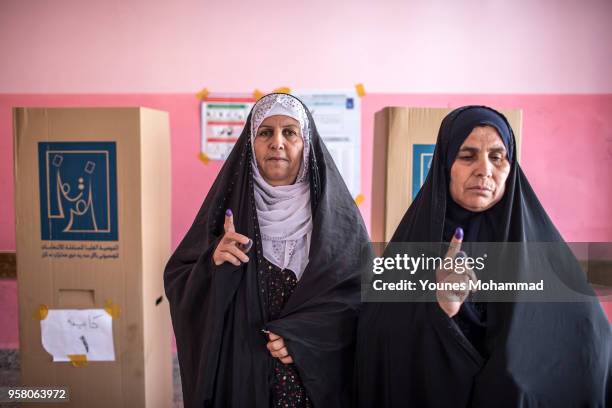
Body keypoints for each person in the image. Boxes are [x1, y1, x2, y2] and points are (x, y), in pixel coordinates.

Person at [355, 106, 611, 406]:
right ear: (446, 163)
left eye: (497, 157)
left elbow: (588, 347)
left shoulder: (542, 253)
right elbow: (380, 348)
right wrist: (438, 312)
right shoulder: (412, 249)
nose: (484, 170)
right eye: (467, 156)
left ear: (511, 167)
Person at [164, 93, 370, 407]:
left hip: (314, 385)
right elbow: (180, 280)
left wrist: (308, 339)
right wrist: (212, 265)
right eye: (265, 132)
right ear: (251, 142)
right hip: (240, 380)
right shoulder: (225, 217)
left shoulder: (338, 222)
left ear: (307, 143)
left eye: (290, 132)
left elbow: (361, 301)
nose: (277, 142)